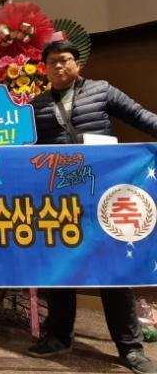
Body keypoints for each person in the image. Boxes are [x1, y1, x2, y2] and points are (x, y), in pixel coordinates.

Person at [28, 39, 157, 374]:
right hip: (59, 199)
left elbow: (139, 115)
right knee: (60, 269)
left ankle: (130, 348)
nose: (59, 66)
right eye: (52, 62)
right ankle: (58, 337)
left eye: (65, 60)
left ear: (78, 63)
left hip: (103, 193)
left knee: (114, 269)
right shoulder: (37, 105)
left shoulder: (102, 90)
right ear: (45, 68)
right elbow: (23, 146)